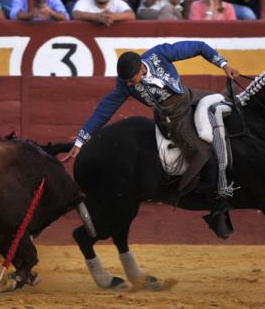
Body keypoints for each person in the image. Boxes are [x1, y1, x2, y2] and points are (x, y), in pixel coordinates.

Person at [60, 41, 241, 238]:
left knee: (230, 105)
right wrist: (80, 141)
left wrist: (224, 65)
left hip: (189, 96)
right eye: (127, 81)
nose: (130, 84)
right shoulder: (124, 84)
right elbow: (104, 111)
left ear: (141, 68)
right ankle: (206, 203)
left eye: (132, 79)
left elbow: (198, 46)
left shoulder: (159, 54)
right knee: (202, 153)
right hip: (174, 119)